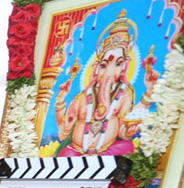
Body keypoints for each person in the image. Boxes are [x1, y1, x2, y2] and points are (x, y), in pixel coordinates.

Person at [54, 11, 158, 157]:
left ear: (124, 66)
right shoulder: (82, 97)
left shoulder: (124, 94)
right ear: (96, 67)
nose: (109, 72)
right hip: (77, 152)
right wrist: (60, 99)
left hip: (106, 153)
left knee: (127, 146)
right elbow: (63, 133)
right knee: (65, 154)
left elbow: (122, 131)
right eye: (104, 65)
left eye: (118, 63)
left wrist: (148, 92)